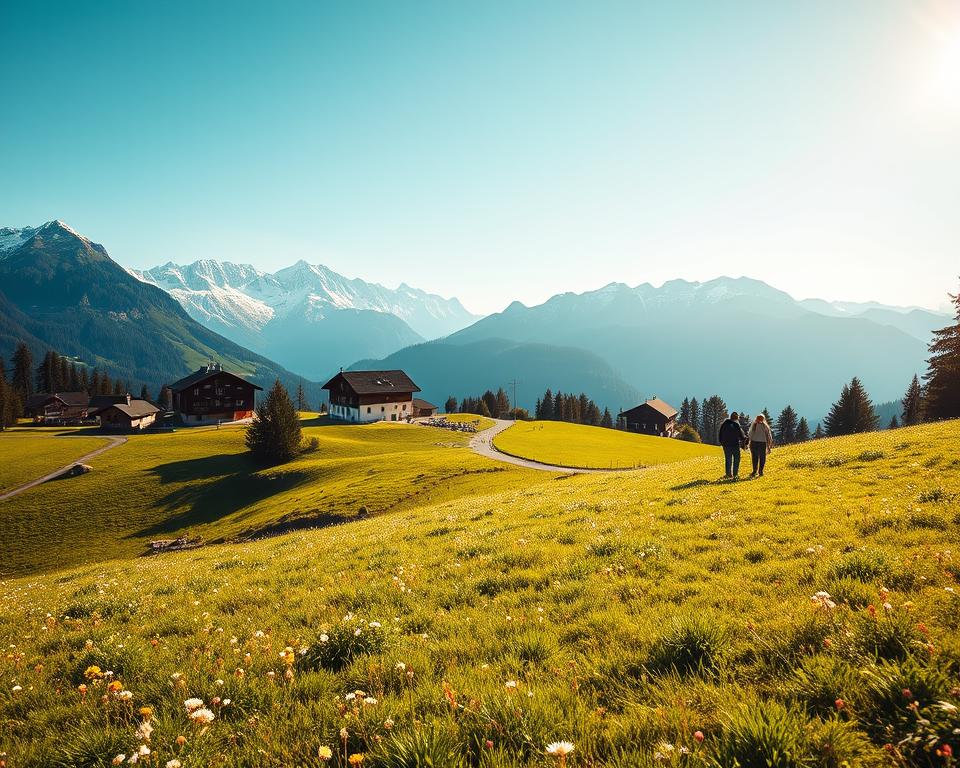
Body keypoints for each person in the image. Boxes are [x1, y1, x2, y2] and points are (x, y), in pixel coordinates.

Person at [718, 411, 747, 478]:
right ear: (737, 418)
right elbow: (741, 436)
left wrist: (721, 442)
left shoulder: (724, 424)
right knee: (736, 459)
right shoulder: (736, 425)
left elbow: (720, 434)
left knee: (728, 459)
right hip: (735, 445)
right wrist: (745, 439)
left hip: (726, 445)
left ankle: (728, 474)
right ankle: (735, 474)